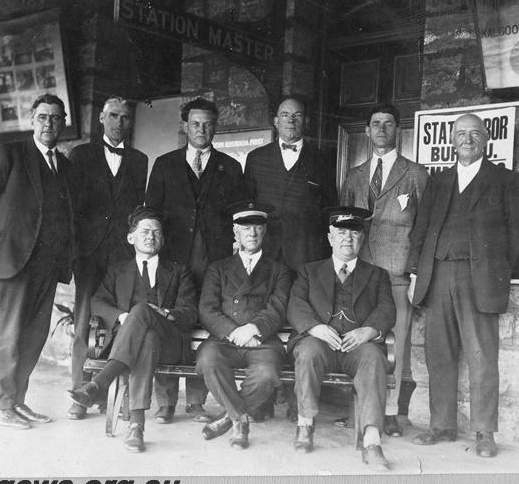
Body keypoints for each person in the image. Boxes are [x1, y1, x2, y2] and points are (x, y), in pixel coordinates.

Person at [407, 113, 519, 458]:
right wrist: (416, 273)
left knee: (482, 357)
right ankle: (441, 426)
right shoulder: (438, 181)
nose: (467, 139)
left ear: (485, 140)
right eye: (461, 134)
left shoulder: (505, 180)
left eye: (474, 133)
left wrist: (497, 267)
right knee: (439, 356)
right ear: (452, 140)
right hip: (437, 277)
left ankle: (484, 432)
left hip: (479, 280)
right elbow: (419, 230)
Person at [0, 93, 75, 429]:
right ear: (32, 120)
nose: (50, 124)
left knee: (33, 337)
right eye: (43, 117)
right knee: (8, 335)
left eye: (56, 118)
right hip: (13, 261)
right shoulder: (10, 154)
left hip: (47, 265)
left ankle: (16, 401)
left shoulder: (64, 165)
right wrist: (4, 234)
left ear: (63, 123)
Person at [65, 206, 198, 453]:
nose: (151, 236)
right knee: (145, 336)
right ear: (131, 238)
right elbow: (97, 302)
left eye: (157, 233)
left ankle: (99, 383)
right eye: (145, 231)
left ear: (163, 239)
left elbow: (190, 311)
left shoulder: (178, 271)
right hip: (136, 345)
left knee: (144, 311)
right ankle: (136, 427)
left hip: (169, 342)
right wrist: (123, 316)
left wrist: (165, 313)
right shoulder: (117, 270)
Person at [144, 97, 244, 423]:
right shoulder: (164, 164)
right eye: (196, 123)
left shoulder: (230, 167)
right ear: (185, 126)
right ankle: (166, 403)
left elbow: (238, 219)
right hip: (173, 261)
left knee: (207, 322)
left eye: (208, 124)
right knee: (171, 323)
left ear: (217, 127)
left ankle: (197, 403)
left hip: (215, 261)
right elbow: (152, 213)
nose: (202, 130)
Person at [340, 104, 429, 436]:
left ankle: (390, 412)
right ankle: (361, 408)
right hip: (360, 274)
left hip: (396, 273)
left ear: (398, 131)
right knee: (362, 338)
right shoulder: (354, 175)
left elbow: (423, 227)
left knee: (397, 342)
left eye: (388, 124)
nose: (381, 129)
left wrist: (415, 272)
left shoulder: (416, 174)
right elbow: (344, 225)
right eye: (375, 124)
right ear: (367, 131)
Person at [287, 206, 396, 471]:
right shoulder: (309, 271)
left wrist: (368, 331)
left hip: (356, 349)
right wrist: (315, 328)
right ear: (329, 238)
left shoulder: (377, 274)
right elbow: (295, 305)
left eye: (354, 233)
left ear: (362, 238)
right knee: (308, 350)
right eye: (341, 232)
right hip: (321, 343)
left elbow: (386, 309)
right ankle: (305, 425)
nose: (347, 238)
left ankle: (371, 441)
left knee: (373, 356)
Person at [66, 95, 148, 420]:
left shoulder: (140, 160)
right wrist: (75, 251)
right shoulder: (81, 155)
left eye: (125, 118)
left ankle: (114, 396)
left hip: (123, 256)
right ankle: (79, 394)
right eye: (113, 116)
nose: (119, 123)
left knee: (121, 321)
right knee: (85, 321)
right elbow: (72, 207)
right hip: (89, 254)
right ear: (101, 118)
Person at [196, 201, 292, 449]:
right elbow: (207, 308)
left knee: (267, 374)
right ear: (235, 233)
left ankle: (230, 417)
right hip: (224, 339)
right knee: (208, 361)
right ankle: (240, 420)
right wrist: (232, 331)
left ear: (264, 232)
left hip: (262, 340)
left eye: (257, 228)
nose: (252, 233)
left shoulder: (278, 270)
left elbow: (278, 307)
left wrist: (253, 329)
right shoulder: (218, 268)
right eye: (245, 228)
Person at [243, 94, 337, 271]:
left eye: (297, 115)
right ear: (276, 121)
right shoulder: (256, 158)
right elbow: (248, 205)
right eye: (285, 115)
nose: (290, 120)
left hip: (307, 252)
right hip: (266, 250)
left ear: (306, 121)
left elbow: (329, 207)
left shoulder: (322, 159)